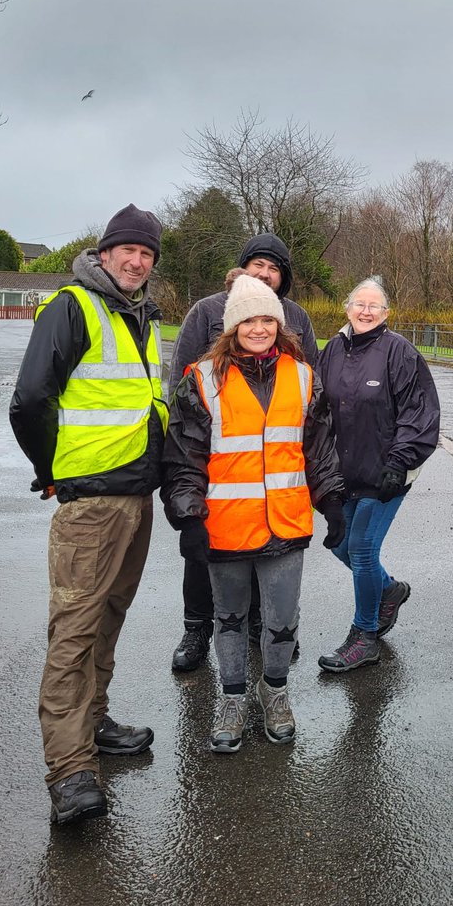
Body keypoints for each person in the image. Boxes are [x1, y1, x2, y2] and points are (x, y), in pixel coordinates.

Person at [9, 204, 168, 825]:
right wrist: (52, 471)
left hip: (136, 495)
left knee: (108, 616)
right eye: (127, 250)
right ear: (103, 253)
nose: (136, 260)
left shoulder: (142, 317)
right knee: (73, 631)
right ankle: (70, 770)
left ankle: (95, 722)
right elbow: (29, 400)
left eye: (147, 253)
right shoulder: (72, 307)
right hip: (91, 503)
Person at [161, 274, 345, 750]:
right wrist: (187, 517)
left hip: (285, 525)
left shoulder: (304, 377)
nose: (259, 328)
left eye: (268, 319)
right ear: (232, 326)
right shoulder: (201, 380)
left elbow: (318, 450)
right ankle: (233, 696)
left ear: (280, 325)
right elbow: (184, 458)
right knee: (230, 619)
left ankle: (276, 690)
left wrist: (333, 503)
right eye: (249, 319)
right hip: (225, 528)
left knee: (282, 619)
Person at [168, 234, 319, 673]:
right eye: (258, 264)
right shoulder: (207, 311)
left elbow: (309, 386)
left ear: (283, 278)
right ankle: (196, 628)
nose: (265, 273)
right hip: (219, 464)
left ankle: (266, 629)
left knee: (271, 556)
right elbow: (181, 377)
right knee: (206, 560)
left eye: (274, 268)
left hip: (273, 468)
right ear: (242, 267)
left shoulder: (296, 318)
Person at [316, 279, 440, 672]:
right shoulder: (332, 350)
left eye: (375, 306)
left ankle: (364, 635)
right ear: (346, 308)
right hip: (344, 471)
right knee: (340, 546)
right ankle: (388, 589)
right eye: (359, 304)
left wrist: (400, 461)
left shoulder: (399, 352)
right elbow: (318, 411)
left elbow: (419, 411)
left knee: (364, 549)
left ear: (386, 313)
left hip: (387, 471)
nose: (366, 311)